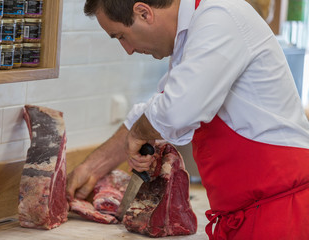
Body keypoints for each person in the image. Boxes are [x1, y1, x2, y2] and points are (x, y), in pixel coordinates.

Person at [66, 0, 309, 239]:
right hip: (247, 214)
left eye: (121, 36)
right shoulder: (193, 32)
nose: (127, 49)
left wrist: (140, 132)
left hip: (283, 212)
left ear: (143, 13)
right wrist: (90, 169)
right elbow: (157, 107)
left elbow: (175, 112)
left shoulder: (219, 16)